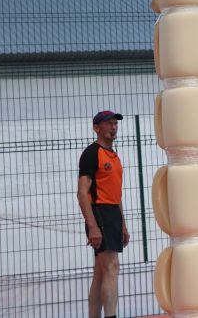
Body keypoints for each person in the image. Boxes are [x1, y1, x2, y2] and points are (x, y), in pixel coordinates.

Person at [77, 110, 129, 318]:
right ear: (96, 128)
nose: (113, 127)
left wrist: (123, 224)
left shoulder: (114, 156)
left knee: (100, 273)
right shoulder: (92, 154)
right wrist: (92, 226)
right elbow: (82, 193)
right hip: (100, 213)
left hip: (112, 213)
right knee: (112, 267)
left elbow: (116, 194)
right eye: (108, 123)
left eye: (115, 123)